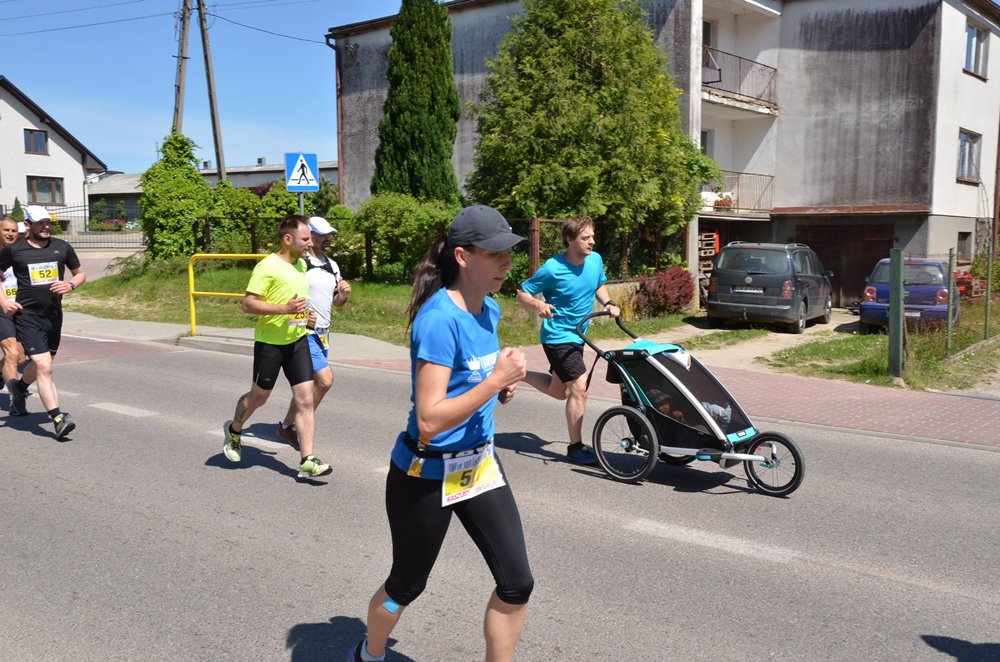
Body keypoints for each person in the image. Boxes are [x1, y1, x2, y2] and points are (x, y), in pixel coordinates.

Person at [350, 205, 533, 662]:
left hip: (478, 464)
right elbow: (431, 419)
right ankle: (369, 654)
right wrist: (492, 382)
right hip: (425, 471)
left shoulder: (489, 309)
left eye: (510, 253)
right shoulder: (438, 320)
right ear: (463, 256)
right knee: (406, 585)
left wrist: (498, 388)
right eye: (496, 254)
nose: (508, 263)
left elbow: (468, 382)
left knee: (517, 583)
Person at [222, 215, 333, 480]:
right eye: (305, 239)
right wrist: (283, 309)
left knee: (305, 399)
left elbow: (298, 303)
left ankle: (307, 459)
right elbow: (248, 304)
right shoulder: (267, 267)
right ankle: (235, 430)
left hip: (297, 340)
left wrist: (307, 317)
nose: (309, 244)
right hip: (270, 344)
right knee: (259, 397)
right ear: (288, 239)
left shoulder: (302, 267)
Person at [515, 216, 621, 465]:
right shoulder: (553, 268)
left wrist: (609, 302)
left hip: (579, 335)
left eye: (592, 236)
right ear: (569, 240)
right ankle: (575, 447)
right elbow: (522, 294)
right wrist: (538, 304)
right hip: (558, 336)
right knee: (578, 387)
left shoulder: (595, 260)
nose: (591, 242)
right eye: (585, 238)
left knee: (559, 391)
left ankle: (517, 373)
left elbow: (599, 284)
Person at [0, 205, 84, 438]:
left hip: (54, 316)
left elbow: (80, 273)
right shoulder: (15, 251)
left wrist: (71, 284)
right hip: (27, 316)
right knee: (45, 367)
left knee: (38, 366)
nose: (46, 226)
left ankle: (19, 388)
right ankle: (58, 419)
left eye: (48, 222)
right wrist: (4, 301)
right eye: (40, 223)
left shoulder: (61, 247)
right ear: (27, 225)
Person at [276, 216, 351, 447]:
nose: (328, 238)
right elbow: (286, 293)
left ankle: (287, 427)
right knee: (325, 381)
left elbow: (335, 302)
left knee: (308, 387)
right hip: (303, 331)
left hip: (323, 334)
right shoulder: (299, 263)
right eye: (322, 235)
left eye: (330, 234)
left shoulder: (332, 265)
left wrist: (344, 296)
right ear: (310, 236)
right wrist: (297, 316)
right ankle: (300, 426)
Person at [0, 216, 27, 393]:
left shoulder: (20, 252)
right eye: (6, 230)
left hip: (17, 307)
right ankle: (16, 399)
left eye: (13, 231)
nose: (10, 234)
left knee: (20, 357)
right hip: (1, 308)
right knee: (11, 352)